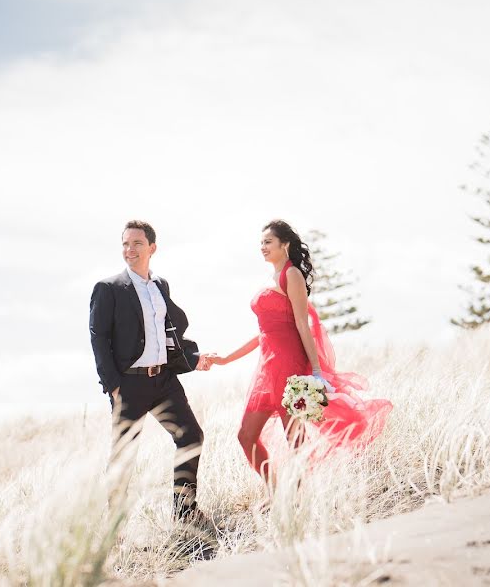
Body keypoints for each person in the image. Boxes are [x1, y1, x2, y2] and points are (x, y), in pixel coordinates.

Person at [207, 220, 393, 484]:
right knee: (246, 435)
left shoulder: (291, 275)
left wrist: (316, 370)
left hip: (287, 364)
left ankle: (298, 497)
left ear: (285, 244)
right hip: (266, 367)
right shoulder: (270, 277)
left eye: (268, 242)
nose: (263, 247)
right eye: (261, 242)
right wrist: (226, 359)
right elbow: (264, 333)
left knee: (295, 438)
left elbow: (302, 324)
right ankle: (275, 490)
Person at [89, 220, 212, 520]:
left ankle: (184, 513)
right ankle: (113, 524)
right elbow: (98, 338)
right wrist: (113, 386)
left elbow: (167, 334)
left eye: (137, 243)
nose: (130, 249)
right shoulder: (108, 288)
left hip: (163, 381)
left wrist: (194, 358)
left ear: (152, 248)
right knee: (124, 456)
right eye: (125, 244)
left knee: (191, 436)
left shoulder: (160, 286)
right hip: (128, 385)